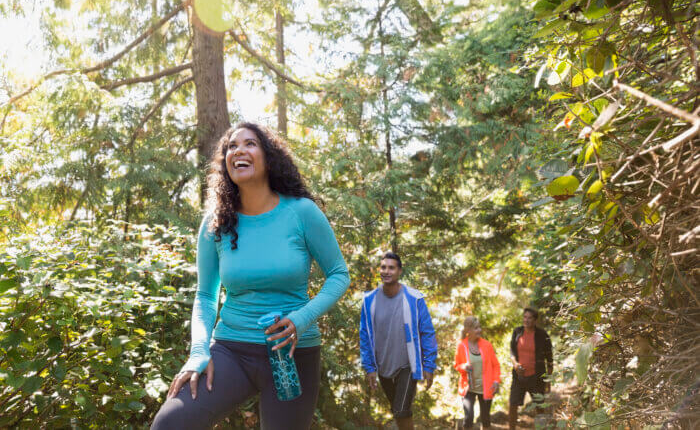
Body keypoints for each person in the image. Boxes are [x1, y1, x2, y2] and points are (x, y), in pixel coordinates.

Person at [151, 122, 350, 430]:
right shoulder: (216, 223)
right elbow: (205, 295)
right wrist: (198, 351)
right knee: (171, 423)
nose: (238, 151)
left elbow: (338, 275)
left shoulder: (302, 212)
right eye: (231, 146)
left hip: (292, 353)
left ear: (268, 157)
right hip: (232, 349)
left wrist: (301, 319)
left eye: (250, 144)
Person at [359, 252, 438, 430]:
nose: (386, 271)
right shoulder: (369, 300)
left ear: (399, 271)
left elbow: (427, 333)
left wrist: (429, 365)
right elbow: (365, 335)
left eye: (391, 267)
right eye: (383, 267)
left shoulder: (414, 298)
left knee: (401, 409)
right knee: (398, 410)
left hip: (408, 364)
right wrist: (369, 368)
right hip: (383, 366)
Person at [508, 307, 553, 429]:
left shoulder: (542, 335)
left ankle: (541, 428)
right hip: (519, 376)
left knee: (539, 406)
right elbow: (512, 352)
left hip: (537, 377)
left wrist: (548, 381)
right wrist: (515, 364)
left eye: (530, 318)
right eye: (525, 317)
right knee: (512, 404)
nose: (526, 320)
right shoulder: (517, 332)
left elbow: (549, 359)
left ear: (535, 320)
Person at [454, 316, 501, 429]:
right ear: (468, 331)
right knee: (468, 417)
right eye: (476, 328)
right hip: (468, 388)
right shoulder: (461, 346)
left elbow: (496, 365)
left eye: (479, 327)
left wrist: (496, 380)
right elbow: (457, 365)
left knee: (485, 419)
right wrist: (463, 366)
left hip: (486, 388)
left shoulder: (487, 345)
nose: (479, 330)